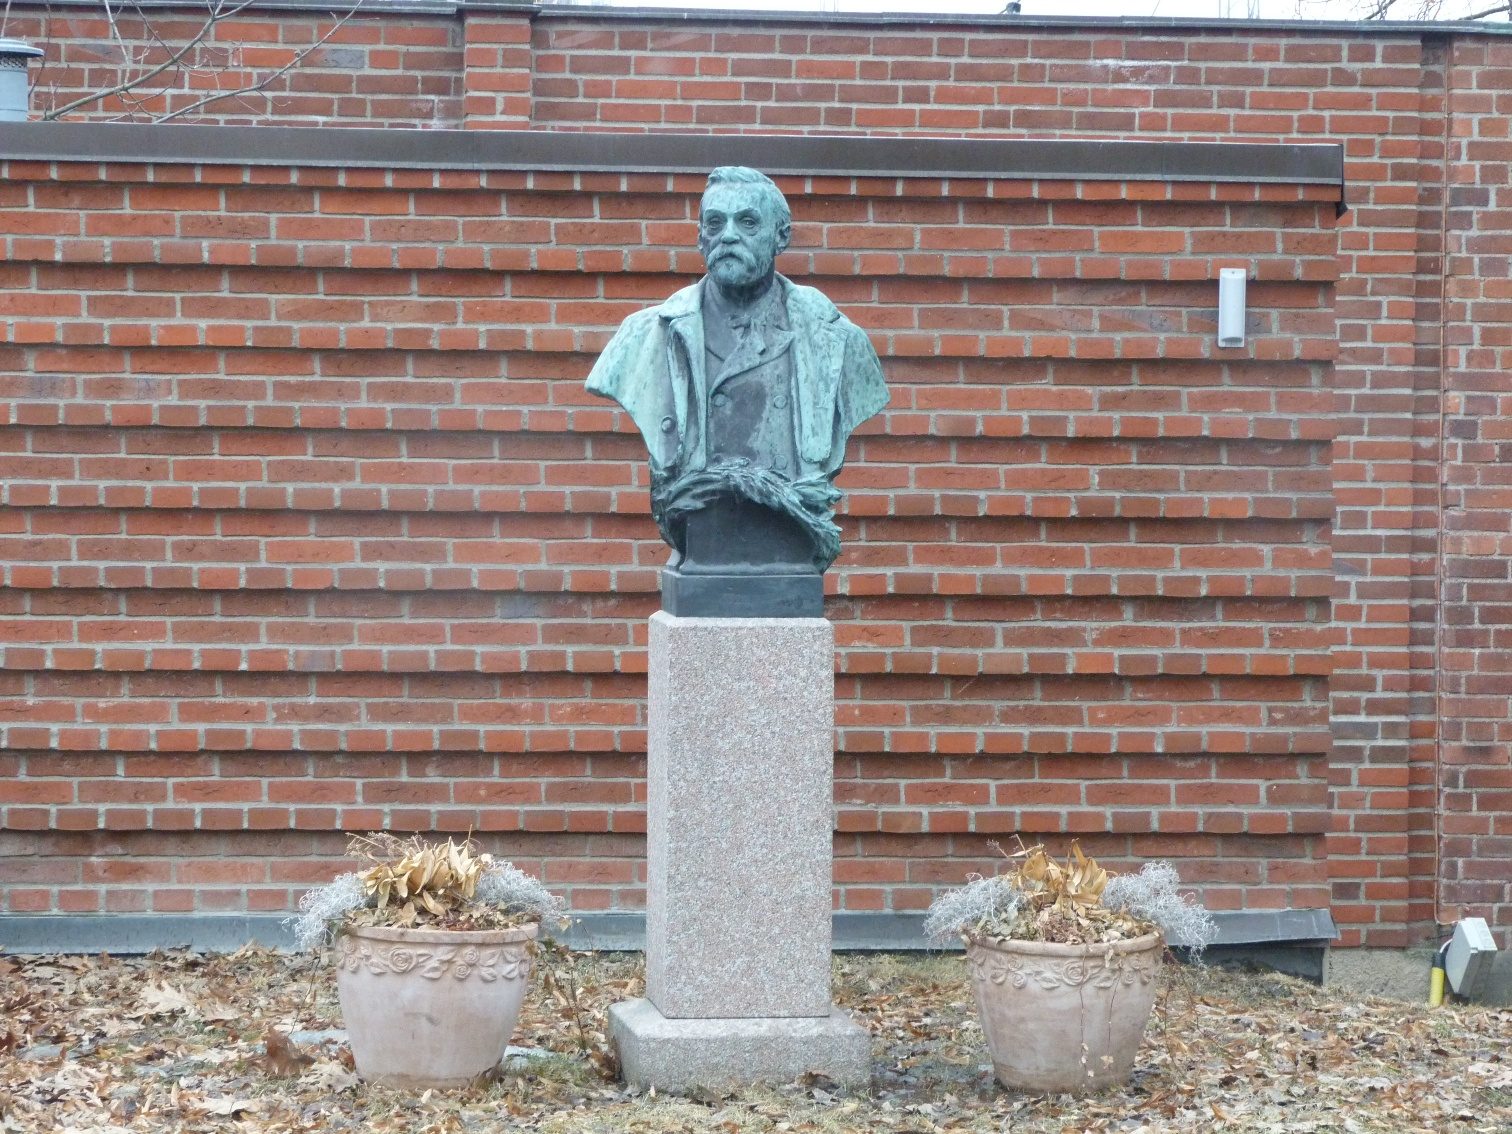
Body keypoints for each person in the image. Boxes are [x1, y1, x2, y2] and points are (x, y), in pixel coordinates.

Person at [586, 167, 888, 595]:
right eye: (715, 223)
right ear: (700, 239)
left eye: (747, 222)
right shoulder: (646, 336)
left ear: (780, 237)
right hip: (702, 549)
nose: (728, 235)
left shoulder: (836, 341)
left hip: (787, 555)